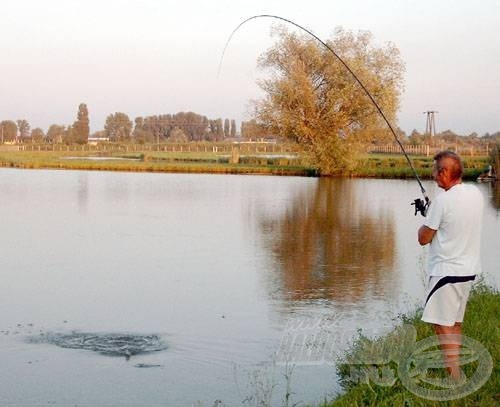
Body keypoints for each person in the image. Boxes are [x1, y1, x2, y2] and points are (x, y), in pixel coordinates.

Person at [417, 151, 483, 381]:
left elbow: (424, 238)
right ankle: (457, 371)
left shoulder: (442, 201)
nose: (433, 175)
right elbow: (452, 223)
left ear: (444, 172)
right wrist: (431, 212)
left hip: (446, 273)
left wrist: (426, 217)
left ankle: (455, 378)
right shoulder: (475, 194)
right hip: (467, 272)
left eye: (435, 170)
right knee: (454, 323)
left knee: (442, 326)